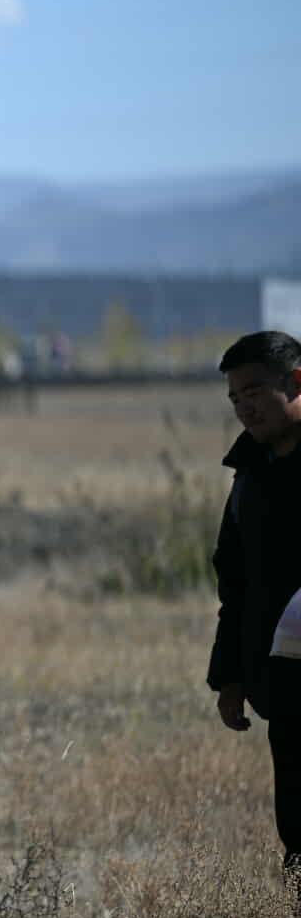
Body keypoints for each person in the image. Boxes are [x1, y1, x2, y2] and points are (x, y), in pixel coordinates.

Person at [207, 330, 301, 888]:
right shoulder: (250, 473)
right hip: (286, 684)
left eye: (255, 392)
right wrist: (230, 676)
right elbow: (236, 582)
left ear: (296, 382)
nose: (245, 408)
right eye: (235, 398)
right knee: (298, 823)